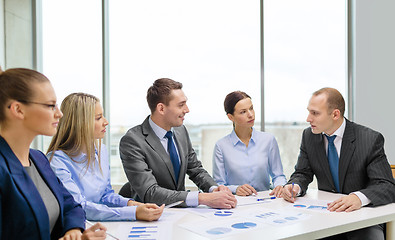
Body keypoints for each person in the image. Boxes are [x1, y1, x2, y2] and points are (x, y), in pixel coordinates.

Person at [0, 67, 106, 240]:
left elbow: (71, 206)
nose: (59, 113)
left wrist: (73, 231)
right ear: (18, 109)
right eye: (50, 105)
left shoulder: (38, 158)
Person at [282, 87, 395, 239]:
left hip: (362, 219)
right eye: (309, 111)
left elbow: (387, 185)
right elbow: (302, 173)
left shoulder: (369, 139)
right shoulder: (309, 136)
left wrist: (358, 198)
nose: (308, 118)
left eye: (315, 113)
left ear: (335, 114)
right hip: (326, 216)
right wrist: (295, 186)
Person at [119, 78, 237, 208]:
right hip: (150, 216)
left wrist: (213, 189)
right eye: (181, 105)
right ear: (161, 108)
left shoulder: (181, 131)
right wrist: (203, 198)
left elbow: (196, 170)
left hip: (180, 213)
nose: (187, 110)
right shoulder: (133, 141)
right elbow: (150, 192)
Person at [47, 93, 164, 221]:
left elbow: (105, 195)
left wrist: (133, 204)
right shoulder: (57, 161)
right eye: (98, 118)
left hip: (103, 223)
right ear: (81, 123)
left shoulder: (101, 150)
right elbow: (79, 206)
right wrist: (133, 213)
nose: (106, 122)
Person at [213, 91, 287, 196]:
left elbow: (278, 175)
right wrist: (236, 189)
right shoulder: (221, 146)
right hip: (236, 204)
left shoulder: (268, 140)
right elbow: (219, 185)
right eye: (243, 112)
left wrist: (280, 186)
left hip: (265, 203)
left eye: (251, 108)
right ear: (231, 117)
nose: (250, 115)